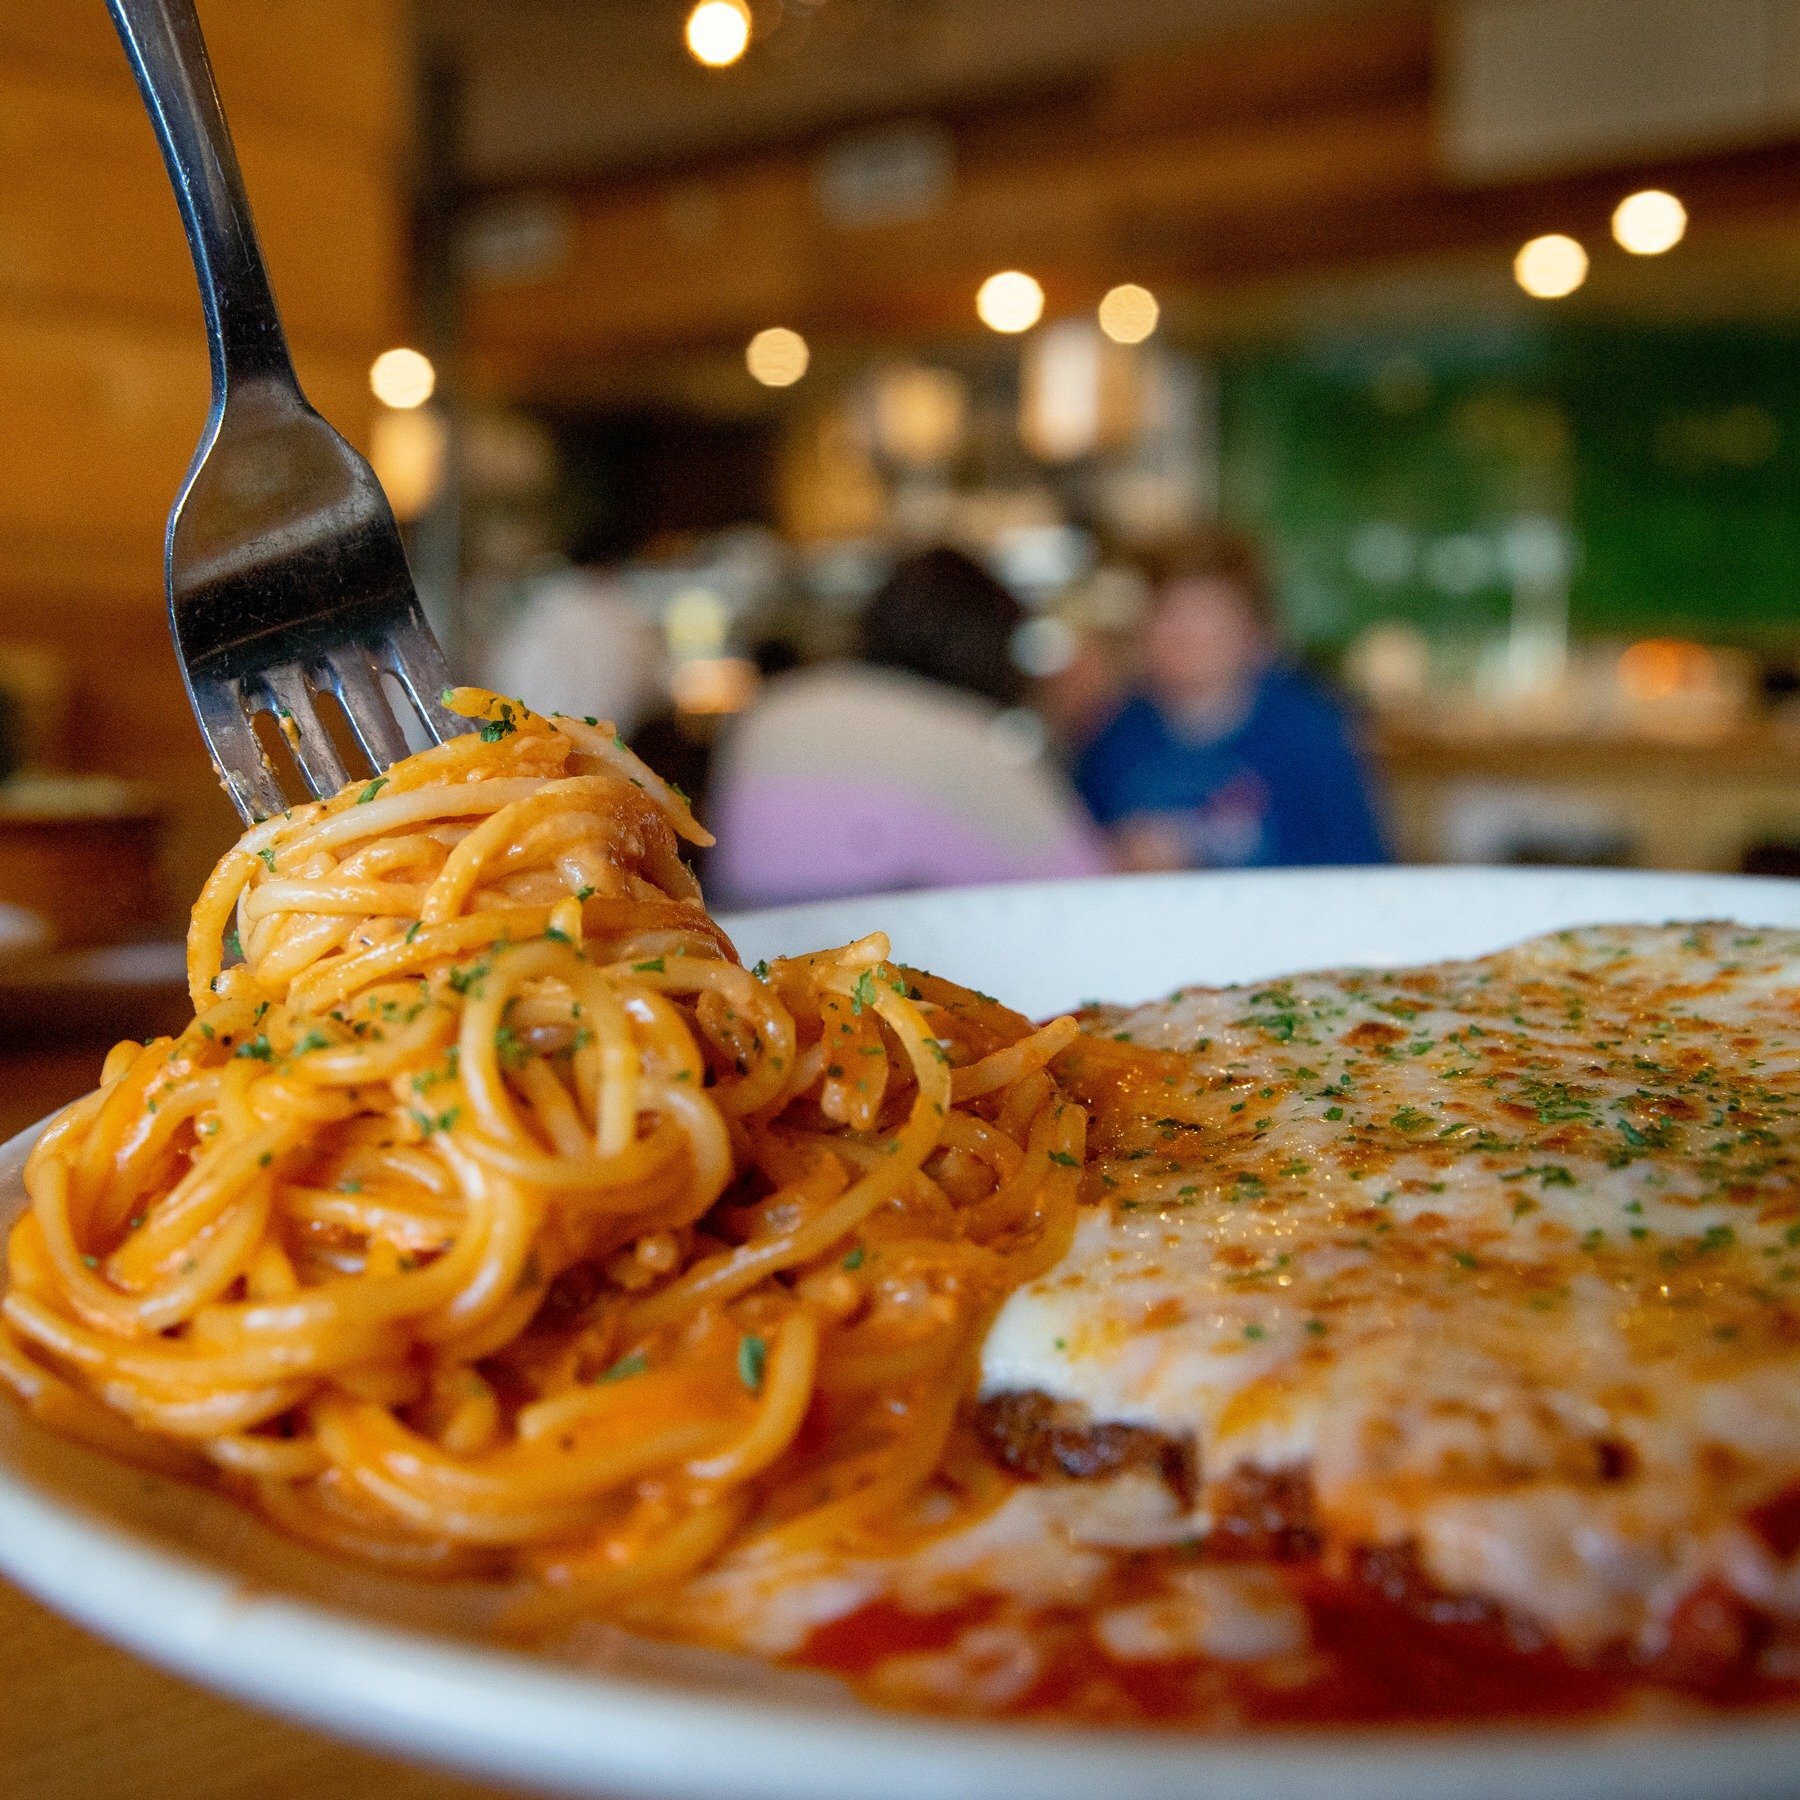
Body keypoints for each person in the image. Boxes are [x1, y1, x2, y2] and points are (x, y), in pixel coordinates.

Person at [707, 547, 1106, 908]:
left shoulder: (770, 709)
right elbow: (1086, 897)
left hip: (742, 970)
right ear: (990, 650)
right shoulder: (971, 740)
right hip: (896, 973)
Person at [1075, 532, 1387, 870]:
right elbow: (1072, 862)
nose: (1185, 636)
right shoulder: (1113, 738)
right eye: (1169, 613)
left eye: (1207, 616)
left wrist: (1194, 859)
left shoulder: (1310, 733)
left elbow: (1359, 871)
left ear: (1257, 635)